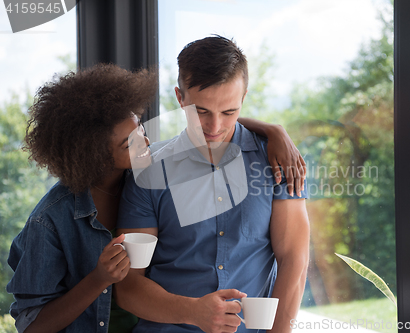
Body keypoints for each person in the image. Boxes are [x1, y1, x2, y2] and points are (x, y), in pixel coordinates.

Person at [6, 62, 306, 333]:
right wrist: (99, 279)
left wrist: (273, 131)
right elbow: (32, 324)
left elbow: (216, 118)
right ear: (94, 156)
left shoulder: (142, 173)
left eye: (141, 128)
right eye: (130, 143)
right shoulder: (50, 221)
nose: (145, 143)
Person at [114, 35, 310, 333]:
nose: (215, 127)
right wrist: (194, 312)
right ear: (180, 98)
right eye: (202, 111)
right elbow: (128, 287)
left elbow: (294, 260)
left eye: (229, 112)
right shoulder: (148, 169)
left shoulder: (278, 162)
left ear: (243, 98)